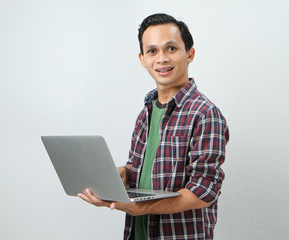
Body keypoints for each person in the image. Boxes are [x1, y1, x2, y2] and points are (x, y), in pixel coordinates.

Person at [78, 13, 229, 239]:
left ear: (190, 53)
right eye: (152, 51)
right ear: (142, 59)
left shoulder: (205, 114)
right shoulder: (145, 113)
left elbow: (204, 191)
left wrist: (142, 207)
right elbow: (140, 167)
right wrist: (122, 175)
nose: (161, 58)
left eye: (171, 48)